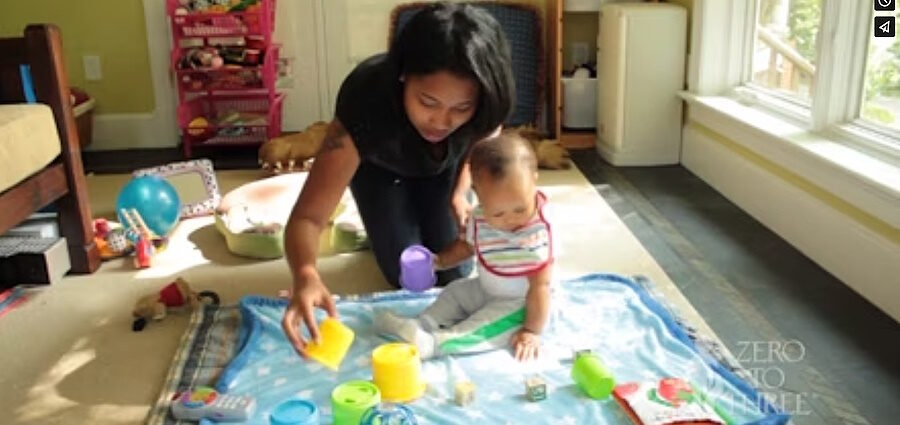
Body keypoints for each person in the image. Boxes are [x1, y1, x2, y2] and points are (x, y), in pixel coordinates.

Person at [281, 2, 515, 357]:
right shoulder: (365, 101)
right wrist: (306, 274)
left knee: (455, 271)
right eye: (428, 102)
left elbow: (487, 134)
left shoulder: (486, 100)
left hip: (443, 167)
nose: (441, 121)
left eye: (461, 108)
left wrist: (460, 191)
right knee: (404, 274)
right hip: (381, 170)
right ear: (404, 75)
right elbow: (308, 217)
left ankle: (424, 204)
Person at [374, 133, 554, 362]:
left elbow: (541, 287)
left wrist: (532, 331)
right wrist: (439, 261)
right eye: (498, 213)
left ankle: (435, 343)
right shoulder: (480, 217)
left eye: (520, 209)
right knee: (454, 292)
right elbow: (467, 246)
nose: (510, 219)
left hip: (521, 303)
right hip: (485, 288)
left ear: (535, 181)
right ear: (479, 196)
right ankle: (420, 324)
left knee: (484, 327)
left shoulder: (538, 231)